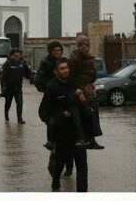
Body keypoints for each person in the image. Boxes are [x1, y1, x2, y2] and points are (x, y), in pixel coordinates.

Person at [39, 59, 89, 192]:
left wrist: (83, 98)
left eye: (66, 67)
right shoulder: (51, 86)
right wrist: (62, 115)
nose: (65, 70)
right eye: (62, 68)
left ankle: (82, 191)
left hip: (79, 131)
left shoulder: (74, 83)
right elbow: (44, 111)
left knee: (82, 164)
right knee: (60, 161)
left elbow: (85, 106)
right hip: (62, 132)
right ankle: (55, 184)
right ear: (56, 72)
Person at [34, 41, 73, 174]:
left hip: (66, 103)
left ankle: (69, 166)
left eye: (59, 50)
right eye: (55, 51)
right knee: (57, 137)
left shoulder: (65, 63)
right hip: (52, 105)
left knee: (68, 139)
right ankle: (55, 164)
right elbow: (38, 81)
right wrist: (50, 87)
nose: (57, 53)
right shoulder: (45, 63)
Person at [68, 36, 104, 150]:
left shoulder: (89, 58)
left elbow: (90, 75)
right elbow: (72, 77)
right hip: (79, 90)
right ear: (78, 46)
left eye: (87, 45)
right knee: (86, 114)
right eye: (81, 45)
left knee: (93, 113)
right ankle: (82, 139)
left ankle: (91, 140)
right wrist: (79, 90)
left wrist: (91, 85)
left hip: (88, 88)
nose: (85, 47)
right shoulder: (74, 59)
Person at [0, 48, 33, 123]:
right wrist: (3, 88)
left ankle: (20, 119)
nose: (17, 57)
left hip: (18, 87)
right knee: (8, 103)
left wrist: (31, 77)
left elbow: (27, 73)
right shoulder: (7, 64)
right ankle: (6, 116)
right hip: (8, 88)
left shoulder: (22, 63)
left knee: (20, 103)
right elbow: (3, 77)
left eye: (18, 55)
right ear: (11, 56)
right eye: (15, 55)